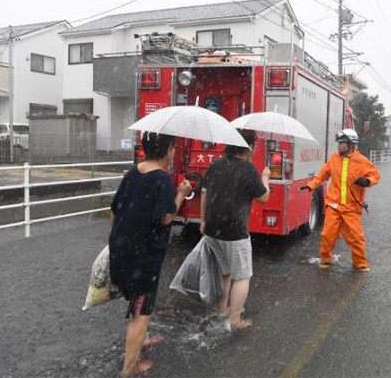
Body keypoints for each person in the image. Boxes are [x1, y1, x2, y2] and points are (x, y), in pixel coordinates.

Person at [109, 132, 192, 377]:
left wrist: (115, 242)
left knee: (136, 299)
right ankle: (129, 368)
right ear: (167, 149)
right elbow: (166, 217)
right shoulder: (162, 179)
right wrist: (182, 193)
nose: (175, 152)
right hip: (144, 254)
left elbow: (115, 210)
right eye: (174, 148)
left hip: (123, 246)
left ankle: (141, 340)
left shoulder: (133, 172)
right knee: (142, 313)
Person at [200, 129, 270, 330]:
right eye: (255, 146)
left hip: (213, 229)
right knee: (242, 276)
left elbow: (204, 192)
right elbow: (263, 197)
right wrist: (265, 177)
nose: (256, 149)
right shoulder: (248, 169)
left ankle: (221, 312)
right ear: (248, 147)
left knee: (226, 273)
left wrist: (203, 221)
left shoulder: (216, 164)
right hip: (235, 231)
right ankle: (235, 320)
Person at [300, 129, 380, 272]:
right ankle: (325, 258)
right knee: (327, 235)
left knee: (356, 238)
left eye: (342, 142)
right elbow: (322, 174)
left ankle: (360, 263)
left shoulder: (362, 161)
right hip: (334, 204)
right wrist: (310, 185)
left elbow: (375, 175)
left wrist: (367, 181)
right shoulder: (334, 158)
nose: (339, 145)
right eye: (339, 142)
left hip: (352, 207)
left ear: (351, 144)